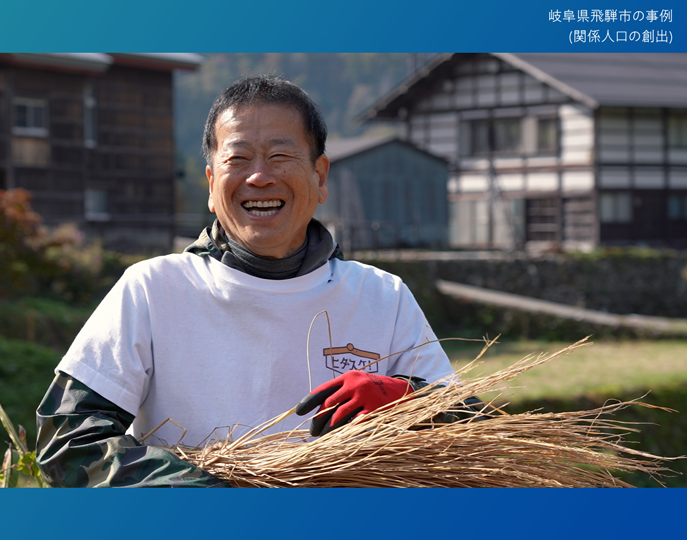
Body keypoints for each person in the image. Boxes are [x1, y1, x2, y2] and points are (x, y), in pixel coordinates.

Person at [35, 75, 467, 488]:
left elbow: (472, 438)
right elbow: (69, 440)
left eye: (280, 156)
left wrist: (408, 400)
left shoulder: (382, 296)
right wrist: (205, 492)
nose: (259, 176)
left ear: (320, 177)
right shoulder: (152, 289)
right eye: (238, 158)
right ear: (210, 184)